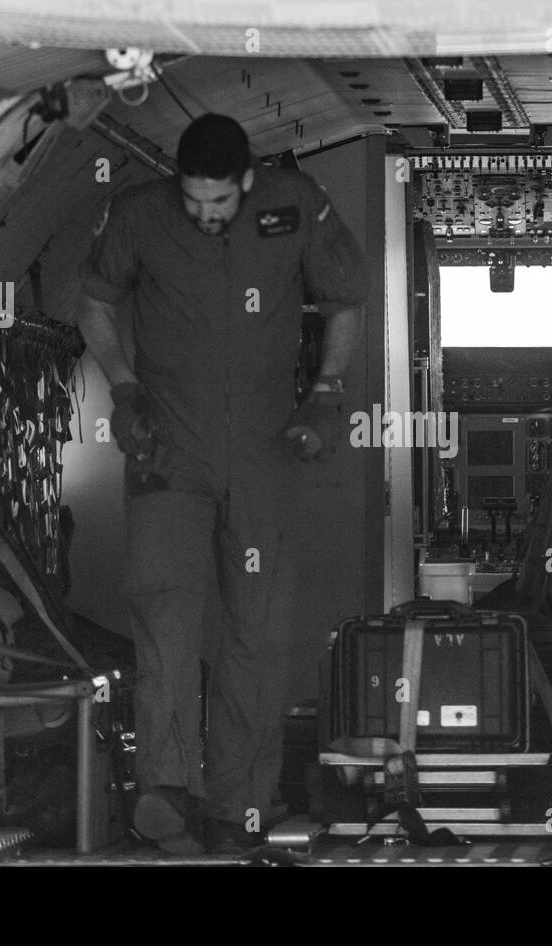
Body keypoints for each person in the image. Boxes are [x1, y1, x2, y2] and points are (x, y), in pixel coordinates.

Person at [75, 114, 367, 853]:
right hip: (166, 448)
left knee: (257, 633)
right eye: (194, 201)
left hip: (264, 453)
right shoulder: (141, 214)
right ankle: (167, 796)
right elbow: (97, 303)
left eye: (219, 203)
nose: (205, 215)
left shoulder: (294, 202)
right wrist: (125, 386)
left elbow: (345, 299)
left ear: (246, 181)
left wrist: (327, 391)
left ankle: (240, 804)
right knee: (164, 615)